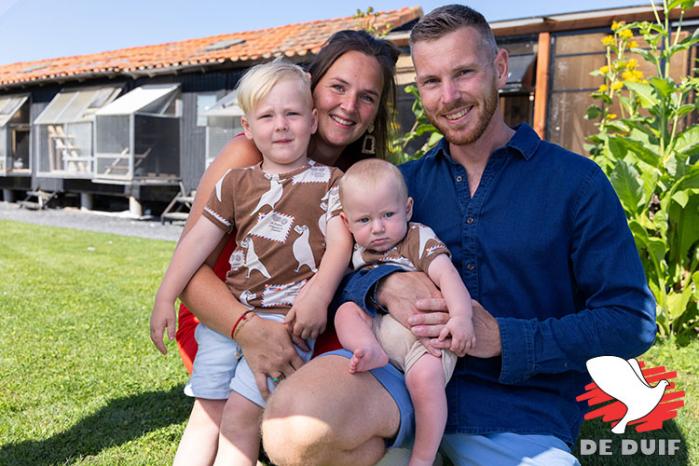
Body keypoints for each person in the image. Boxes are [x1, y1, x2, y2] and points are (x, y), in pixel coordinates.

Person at [261, 5, 657, 466]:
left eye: (464, 73)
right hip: (396, 378)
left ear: (500, 68)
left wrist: (505, 339)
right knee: (293, 428)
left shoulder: (576, 183)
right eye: (431, 82)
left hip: (514, 410)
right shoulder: (400, 185)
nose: (448, 96)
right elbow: (339, 272)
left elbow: (630, 320)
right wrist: (382, 286)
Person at [149, 30, 400, 464]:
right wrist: (247, 329)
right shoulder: (245, 159)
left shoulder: (350, 178)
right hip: (223, 310)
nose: (349, 105)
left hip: (298, 314)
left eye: (367, 96)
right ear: (312, 84)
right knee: (227, 415)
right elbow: (191, 263)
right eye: (338, 87)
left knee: (330, 412)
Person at [334, 158, 474, 466]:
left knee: (425, 381)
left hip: (423, 340)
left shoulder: (417, 238)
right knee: (345, 311)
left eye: (388, 214)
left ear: (407, 209)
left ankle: (423, 456)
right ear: (346, 223)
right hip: (380, 336)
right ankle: (367, 349)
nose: (379, 228)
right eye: (364, 220)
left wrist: (462, 317)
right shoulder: (356, 252)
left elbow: (447, 276)